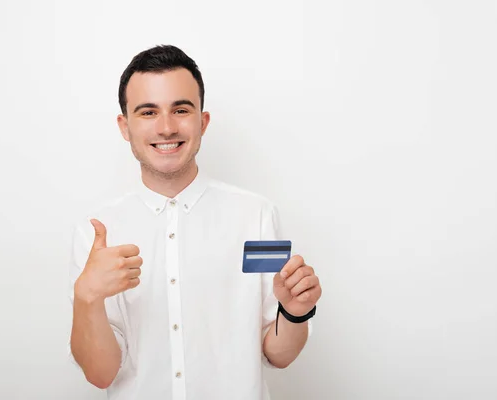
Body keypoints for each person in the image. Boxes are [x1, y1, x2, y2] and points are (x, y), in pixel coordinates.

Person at [68, 44, 322, 400]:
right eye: (148, 112)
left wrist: (294, 313)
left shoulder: (257, 216)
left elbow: (277, 355)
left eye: (181, 109)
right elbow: (100, 373)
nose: (167, 127)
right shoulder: (98, 231)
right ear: (125, 127)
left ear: (202, 121)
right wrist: (87, 297)